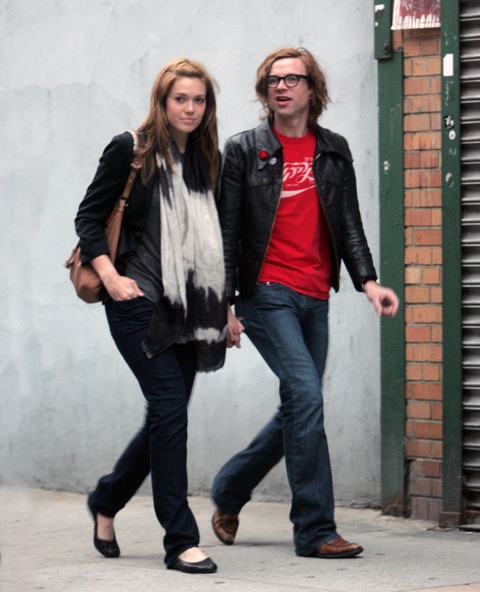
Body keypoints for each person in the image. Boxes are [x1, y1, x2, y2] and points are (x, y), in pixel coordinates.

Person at [211, 47, 399, 560]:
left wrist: (368, 282)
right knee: (307, 397)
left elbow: (349, 222)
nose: (282, 87)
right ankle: (315, 529)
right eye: (273, 80)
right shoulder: (244, 149)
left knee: (300, 404)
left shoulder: (333, 149)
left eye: (293, 79)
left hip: (315, 295)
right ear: (264, 91)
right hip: (266, 293)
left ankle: (229, 488)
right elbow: (226, 231)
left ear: (313, 89)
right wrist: (224, 304)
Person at [74, 58, 227, 574]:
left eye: (199, 100)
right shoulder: (131, 149)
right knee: (169, 407)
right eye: (180, 98)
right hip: (136, 303)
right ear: (162, 102)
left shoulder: (205, 159)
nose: (190, 108)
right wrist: (111, 276)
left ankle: (106, 499)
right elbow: (88, 217)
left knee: (166, 414)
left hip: (189, 309)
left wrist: (225, 309)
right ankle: (180, 540)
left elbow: (214, 243)